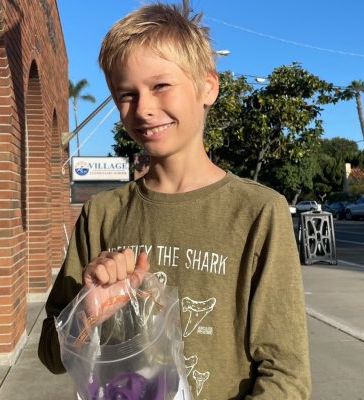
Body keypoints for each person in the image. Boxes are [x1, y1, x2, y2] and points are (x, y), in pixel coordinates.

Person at [38, 1, 311, 398]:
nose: (144, 109)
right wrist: (87, 313)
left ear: (208, 87)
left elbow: (286, 374)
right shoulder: (102, 213)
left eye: (161, 86)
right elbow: (50, 353)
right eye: (126, 94)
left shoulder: (258, 212)